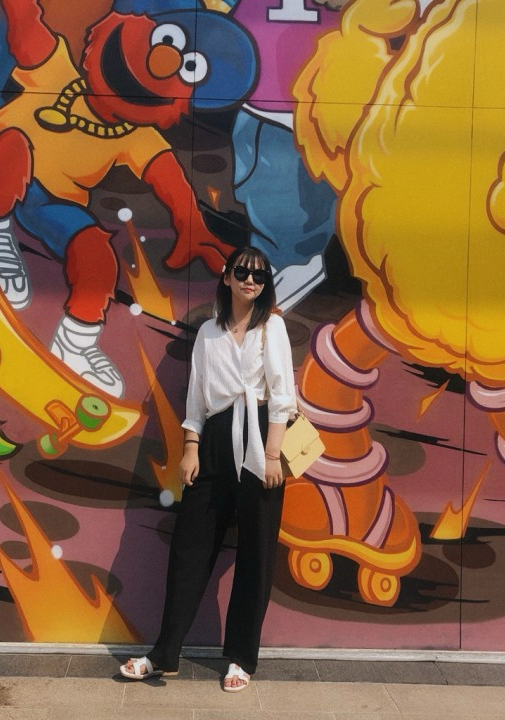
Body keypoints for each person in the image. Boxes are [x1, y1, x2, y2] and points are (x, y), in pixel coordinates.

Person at [120, 246, 296, 692]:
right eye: (243, 272)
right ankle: (164, 653)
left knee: (255, 554)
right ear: (226, 276)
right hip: (214, 440)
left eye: (259, 275)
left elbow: (282, 394)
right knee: (188, 550)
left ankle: (241, 658)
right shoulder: (208, 333)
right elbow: (196, 397)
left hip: (260, 439)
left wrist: (272, 454)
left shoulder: (272, 326)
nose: (250, 280)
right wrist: (191, 448)